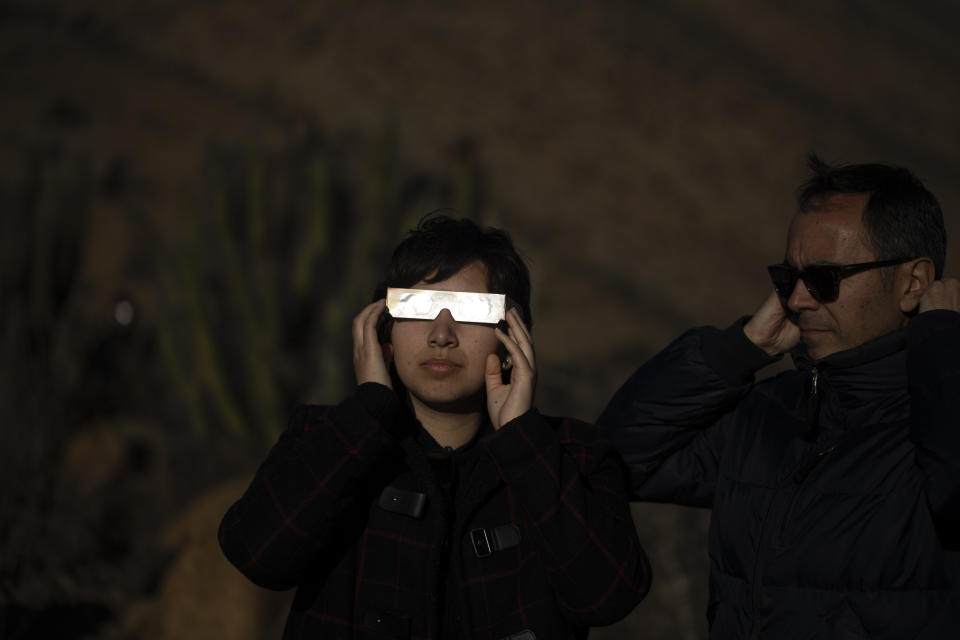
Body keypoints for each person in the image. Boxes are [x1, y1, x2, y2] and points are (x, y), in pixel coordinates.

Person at [219, 215, 650, 639]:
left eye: (470, 311)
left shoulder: (576, 454)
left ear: (511, 335)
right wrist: (369, 413)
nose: (441, 334)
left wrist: (523, 442)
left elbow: (607, 597)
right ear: (382, 328)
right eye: (418, 307)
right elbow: (257, 556)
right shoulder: (326, 439)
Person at [598, 155, 960, 638]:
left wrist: (942, 347)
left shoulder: (936, 420)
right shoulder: (770, 412)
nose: (797, 300)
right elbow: (611, 464)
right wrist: (738, 349)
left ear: (913, 283)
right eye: (789, 278)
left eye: (825, 279)